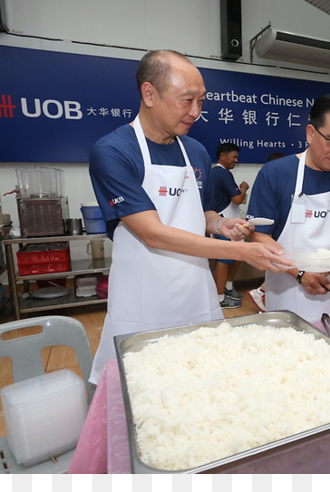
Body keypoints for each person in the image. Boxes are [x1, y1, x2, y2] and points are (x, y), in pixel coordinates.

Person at [86, 50, 291, 384]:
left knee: (202, 379)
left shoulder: (194, 150)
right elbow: (152, 233)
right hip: (144, 296)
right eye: (186, 100)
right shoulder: (113, 151)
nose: (196, 112)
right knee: (143, 383)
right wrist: (241, 252)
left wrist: (220, 224)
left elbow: (203, 212)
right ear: (149, 93)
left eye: (201, 101)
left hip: (196, 289)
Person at [247, 93, 330, 321]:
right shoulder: (276, 173)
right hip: (286, 287)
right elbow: (259, 237)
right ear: (311, 133)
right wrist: (300, 272)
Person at [209, 142, 250, 308]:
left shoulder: (215, 173)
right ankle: (220, 299)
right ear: (222, 156)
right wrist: (244, 188)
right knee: (224, 260)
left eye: (237, 157)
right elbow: (237, 199)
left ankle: (228, 287)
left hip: (225, 221)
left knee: (238, 255)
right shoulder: (223, 174)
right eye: (233, 157)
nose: (235, 160)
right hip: (222, 222)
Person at [247, 152, 286, 312]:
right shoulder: (269, 177)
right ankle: (260, 291)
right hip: (274, 235)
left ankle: (262, 291)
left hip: (277, 235)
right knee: (281, 267)